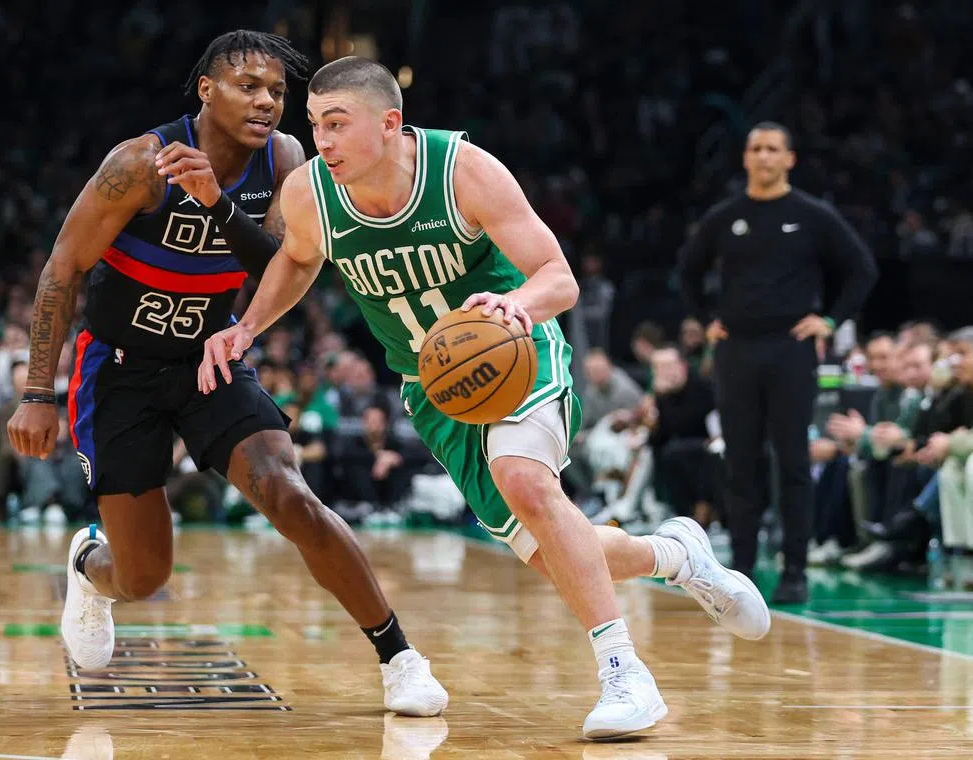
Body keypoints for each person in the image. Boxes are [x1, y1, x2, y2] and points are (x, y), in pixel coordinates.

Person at [199, 56, 770, 741]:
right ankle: (675, 556)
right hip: (434, 388)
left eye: (338, 123)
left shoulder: (461, 171)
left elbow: (558, 277)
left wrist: (516, 305)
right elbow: (297, 257)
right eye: (316, 124)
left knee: (522, 477)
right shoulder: (310, 194)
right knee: (546, 547)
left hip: (515, 350)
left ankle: (626, 674)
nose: (321, 139)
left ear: (389, 123)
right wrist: (247, 326)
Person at [6, 32, 447, 717]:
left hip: (207, 360)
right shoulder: (139, 164)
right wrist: (38, 391)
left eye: (276, 90)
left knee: (287, 492)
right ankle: (88, 570)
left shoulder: (284, 158)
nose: (266, 101)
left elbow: (278, 263)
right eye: (248, 85)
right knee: (145, 574)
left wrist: (217, 202)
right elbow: (64, 266)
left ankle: (400, 658)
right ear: (207, 91)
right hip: (119, 372)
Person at [678, 122, 878, 604]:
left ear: (790, 159)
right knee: (740, 463)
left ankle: (794, 570)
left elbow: (862, 270)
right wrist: (707, 319)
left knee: (792, 461)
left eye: (772, 149)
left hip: (790, 348)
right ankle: (741, 573)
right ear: (745, 158)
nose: (763, 156)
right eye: (755, 148)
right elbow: (688, 270)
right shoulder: (725, 218)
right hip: (736, 349)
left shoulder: (812, 215)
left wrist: (829, 320)